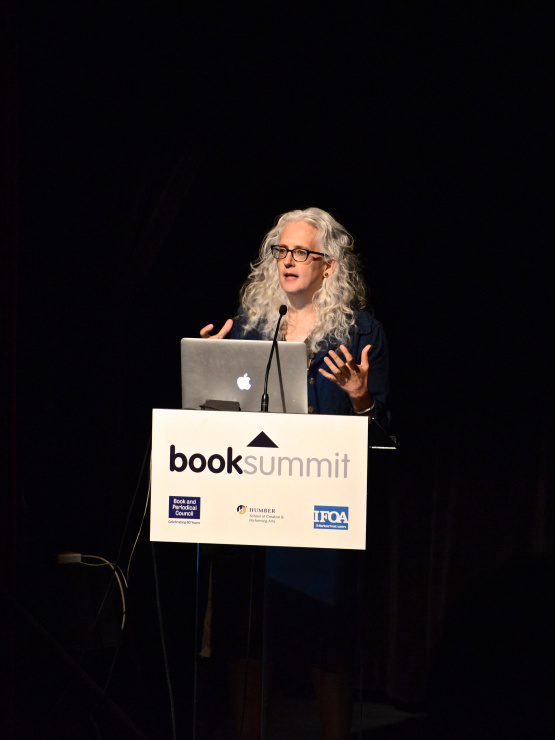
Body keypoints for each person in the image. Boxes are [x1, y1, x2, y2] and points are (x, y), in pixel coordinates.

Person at [200, 207, 391, 740]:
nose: (288, 261)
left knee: (324, 644)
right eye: (282, 251)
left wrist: (360, 398)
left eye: (301, 252)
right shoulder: (252, 323)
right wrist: (210, 370)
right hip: (250, 504)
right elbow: (220, 417)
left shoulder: (360, 332)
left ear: (328, 267)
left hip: (319, 511)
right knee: (246, 639)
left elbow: (383, 432)